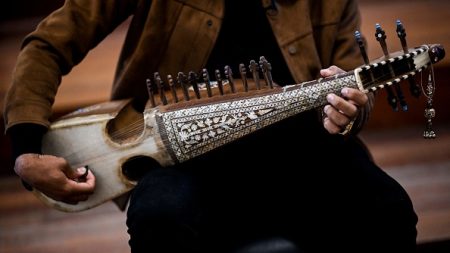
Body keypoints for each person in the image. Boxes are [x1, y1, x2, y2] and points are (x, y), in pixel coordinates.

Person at [4, 0, 418, 252]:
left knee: (388, 211)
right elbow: (49, 43)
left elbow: (354, 85)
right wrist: (25, 149)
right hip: (178, 157)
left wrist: (350, 111)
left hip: (301, 148)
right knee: (159, 218)